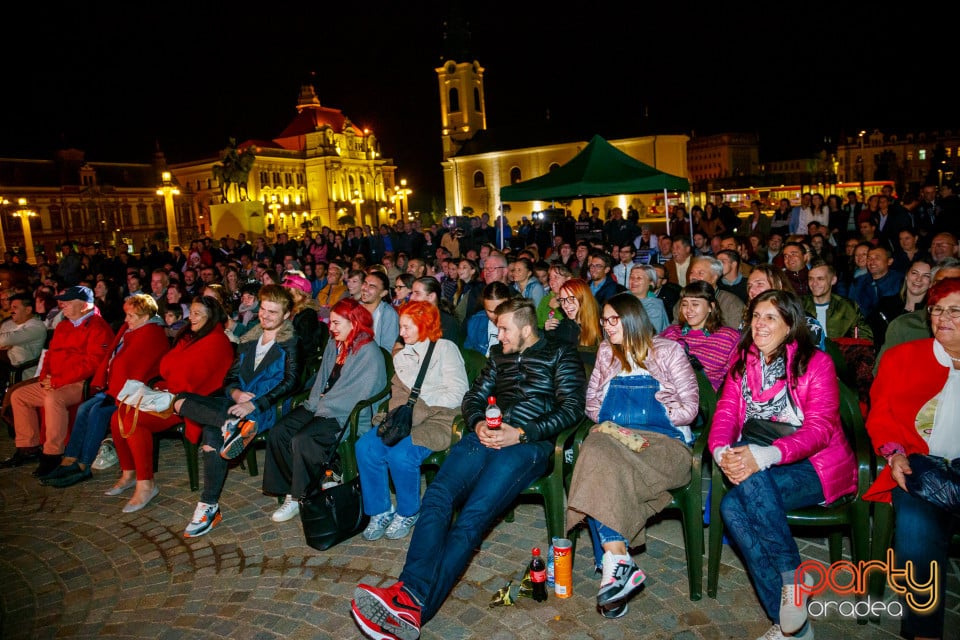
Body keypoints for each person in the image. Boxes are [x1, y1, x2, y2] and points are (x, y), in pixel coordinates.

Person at [351, 298, 586, 640]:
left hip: (528, 445)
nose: (498, 334)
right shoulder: (498, 354)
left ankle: (415, 606)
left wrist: (521, 433)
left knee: (472, 517)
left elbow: (572, 409)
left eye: (504, 328)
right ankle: (407, 593)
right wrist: (477, 423)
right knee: (437, 496)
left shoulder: (560, 354)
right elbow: (474, 397)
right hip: (485, 435)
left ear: (525, 328)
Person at [708, 289, 856, 640]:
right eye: (756, 316)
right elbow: (726, 412)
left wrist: (767, 454)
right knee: (732, 505)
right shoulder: (743, 361)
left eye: (770, 317)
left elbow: (821, 430)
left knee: (739, 493)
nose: (759, 324)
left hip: (816, 466)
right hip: (762, 466)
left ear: (790, 325)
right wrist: (720, 452)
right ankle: (793, 621)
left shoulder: (815, 362)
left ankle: (791, 585)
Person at [564, 292, 699, 618]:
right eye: (604, 321)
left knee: (596, 459)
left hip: (663, 444)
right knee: (596, 447)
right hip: (618, 438)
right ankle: (617, 560)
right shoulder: (606, 352)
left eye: (613, 320)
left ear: (632, 320)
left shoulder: (668, 351)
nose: (607, 327)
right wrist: (614, 426)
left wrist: (656, 410)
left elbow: (690, 407)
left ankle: (613, 564)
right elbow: (591, 404)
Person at [862, 277, 960, 640]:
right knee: (916, 536)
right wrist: (894, 453)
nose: (943, 317)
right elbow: (881, 414)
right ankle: (923, 634)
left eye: (955, 310)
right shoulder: (904, 357)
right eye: (937, 310)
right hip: (919, 466)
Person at [165, 285, 301, 537]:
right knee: (179, 400)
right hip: (236, 406)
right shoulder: (250, 339)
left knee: (210, 435)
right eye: (263, 309)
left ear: (286, 315)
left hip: (264, 408)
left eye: (273, 312)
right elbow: (230, 378)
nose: (266, 315)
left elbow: (291, 383)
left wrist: (254, 403)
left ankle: (208, 506)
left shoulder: (291, 342)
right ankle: (230, 426)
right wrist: (236, 394)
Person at [262, 297, 387, 523]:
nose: (331, 327)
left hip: (344, 414)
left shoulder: (368, 352)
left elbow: (359, 395)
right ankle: (291, 488)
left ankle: (302, 497)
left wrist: (323, 404)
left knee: (303, 439)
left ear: (354, 323)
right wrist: (314, 403)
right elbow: (321, 379)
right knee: (279, 432)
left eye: (337, 323)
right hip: (321, 404)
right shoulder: (335, 344)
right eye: (331, 322)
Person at [107, 296, 234, 513]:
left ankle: (146, 484)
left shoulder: (216, 341)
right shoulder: (191, 337)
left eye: (197, 314)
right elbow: (168, 365)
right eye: (190, 312)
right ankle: (129, 472)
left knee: (132, 419)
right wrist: (162, 381)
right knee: (118, 414)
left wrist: (169, 381)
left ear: (210, 317)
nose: (190, 317)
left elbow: (194, 379)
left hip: (190, 402)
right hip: (170, 393)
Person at [356, 301, 469, 541]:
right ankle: (380, 510)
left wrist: (421, 408)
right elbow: (398, 394)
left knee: (401, 455)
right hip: (407, 417)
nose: (402, 333)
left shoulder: (445, 349)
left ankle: (409, 511)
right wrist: (407, 410)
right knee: (365, 447)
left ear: (425, 325)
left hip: (440, 418)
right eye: (400, 327)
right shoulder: (402, 356)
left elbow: (458, 393)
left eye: (408, 327)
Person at [39, 294, 169, 488]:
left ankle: (84, 465)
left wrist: (113, 393)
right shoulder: (131, 328)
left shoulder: (152, 333)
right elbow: (113, 359)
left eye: (131, 316)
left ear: (145, 316)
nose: (126, 320)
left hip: (134, 393)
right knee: (84, 409)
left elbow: (136, 369)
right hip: (116, 389)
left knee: (97, 412)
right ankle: (70, 459)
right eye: (126, 315)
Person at [1, 286, 114, 477]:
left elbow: (93, 364)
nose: (63, 306)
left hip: (82, 383)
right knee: (19, 395)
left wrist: (57, 380)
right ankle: (28, 447)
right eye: (64, 302)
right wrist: (45, 377)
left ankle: (53, 453)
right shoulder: (63, 326)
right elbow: (50, 355)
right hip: (57, 380)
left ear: (84, 306)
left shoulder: (98, 327)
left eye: (69, 302)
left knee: (54, 399)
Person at [659, 281, 739, 390]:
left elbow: (737, 377)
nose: (688, 310)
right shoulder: (671, 333)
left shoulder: (728, 337)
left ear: (711, 307)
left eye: (695, 304)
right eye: (684, 304)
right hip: (669, 393)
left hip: (705, 400)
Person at [544, 277, 602, 366]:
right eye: (562, 300)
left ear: (583, 298)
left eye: (571, 299)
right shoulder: (563, 327)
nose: (565, 305)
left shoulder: (602, 324)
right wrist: (548, 333)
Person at [0, 293, 47, 400]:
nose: (11, 311)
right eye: (11, 307)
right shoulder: (9, 324)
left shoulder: (36, 326)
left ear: (28, 310)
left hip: (23, 370)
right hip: (7, 365)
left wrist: (8, 342)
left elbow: (4, 340)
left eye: (15, 307)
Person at [463, 281, 515, 356]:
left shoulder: (518, 324)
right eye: (490, 311)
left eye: (500, 310)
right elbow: (468, 354)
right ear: (484, 307)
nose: (496, 316)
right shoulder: (475, 322)